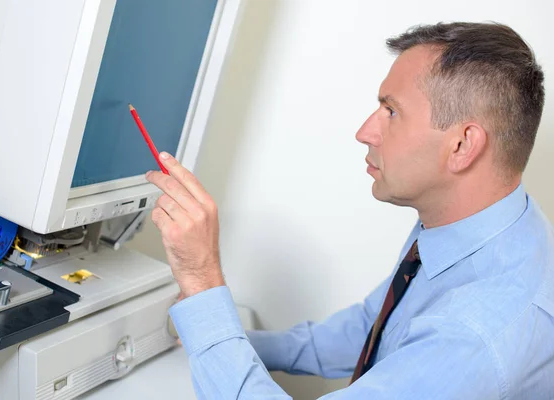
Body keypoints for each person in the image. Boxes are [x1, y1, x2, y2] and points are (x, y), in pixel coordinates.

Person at [145, 21, 553, 399]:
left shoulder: (476, 336)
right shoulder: (482, 227)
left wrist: (200, 279)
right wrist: (228, 338)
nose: (364, 132)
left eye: (391, 111)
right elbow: (373, 328)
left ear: (463, 146)